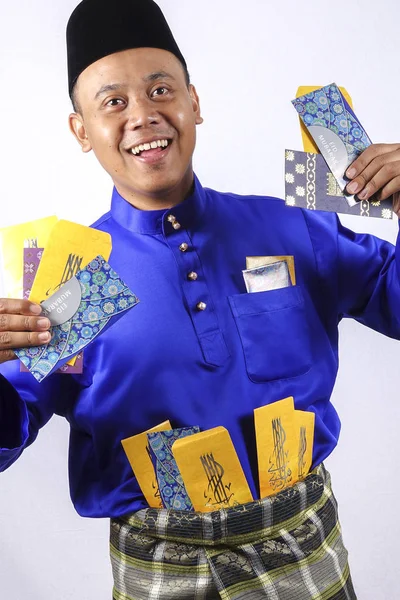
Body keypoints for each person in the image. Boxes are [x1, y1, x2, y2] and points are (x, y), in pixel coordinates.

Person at [1, 0, 400, 598]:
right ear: (81, 130)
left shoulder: (292, 229)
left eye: (161, 89)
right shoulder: (62, 285)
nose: (143, 115)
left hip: (305, 554)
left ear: (194, 102)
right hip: (157, 572)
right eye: (113, 102)